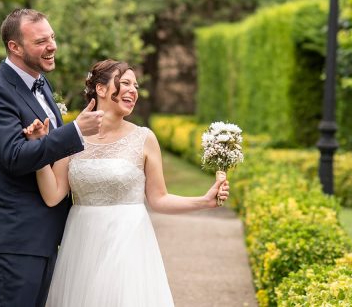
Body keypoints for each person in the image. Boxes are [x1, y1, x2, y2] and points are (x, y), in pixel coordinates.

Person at [21, 59, 229, 307]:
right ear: (100, 89)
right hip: (82, 244)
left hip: (128, 243)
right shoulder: (70, 137)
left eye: (136, 86)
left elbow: (159, 199)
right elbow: (52, 195)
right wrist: (39, 148)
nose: (133, 90)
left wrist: (203, 201)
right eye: (126, 83)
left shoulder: (144, 138)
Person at [0, 8, 105, 307]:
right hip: (14, 238)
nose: (52, 46)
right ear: (14, 47)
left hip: (44, 234)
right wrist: (75, 132)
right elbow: (15, 157)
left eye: (53, 37)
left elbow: (46, 149)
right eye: (41, 41)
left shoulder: (40, 83)